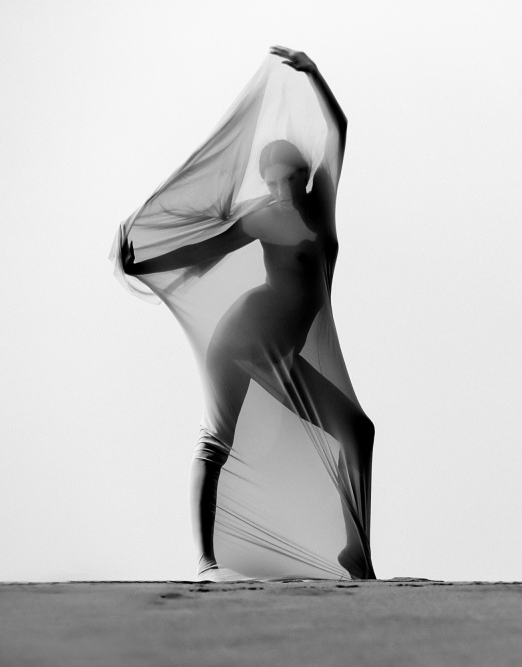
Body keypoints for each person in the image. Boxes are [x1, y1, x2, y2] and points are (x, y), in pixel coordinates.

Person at [120, 48, 375, 581]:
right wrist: (144, 262)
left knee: (357, 430)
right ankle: (204, 561)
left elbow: (339, 128)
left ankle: (355, 553)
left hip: (277, 349)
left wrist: (314, 72)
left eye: (292, 174)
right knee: (217, 441)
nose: (284, 184)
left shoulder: (322, 202)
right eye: (274, 177)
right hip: (243, 338)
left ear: (305, 174)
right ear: (266, 180)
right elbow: (202, 252)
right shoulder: (263, 218)